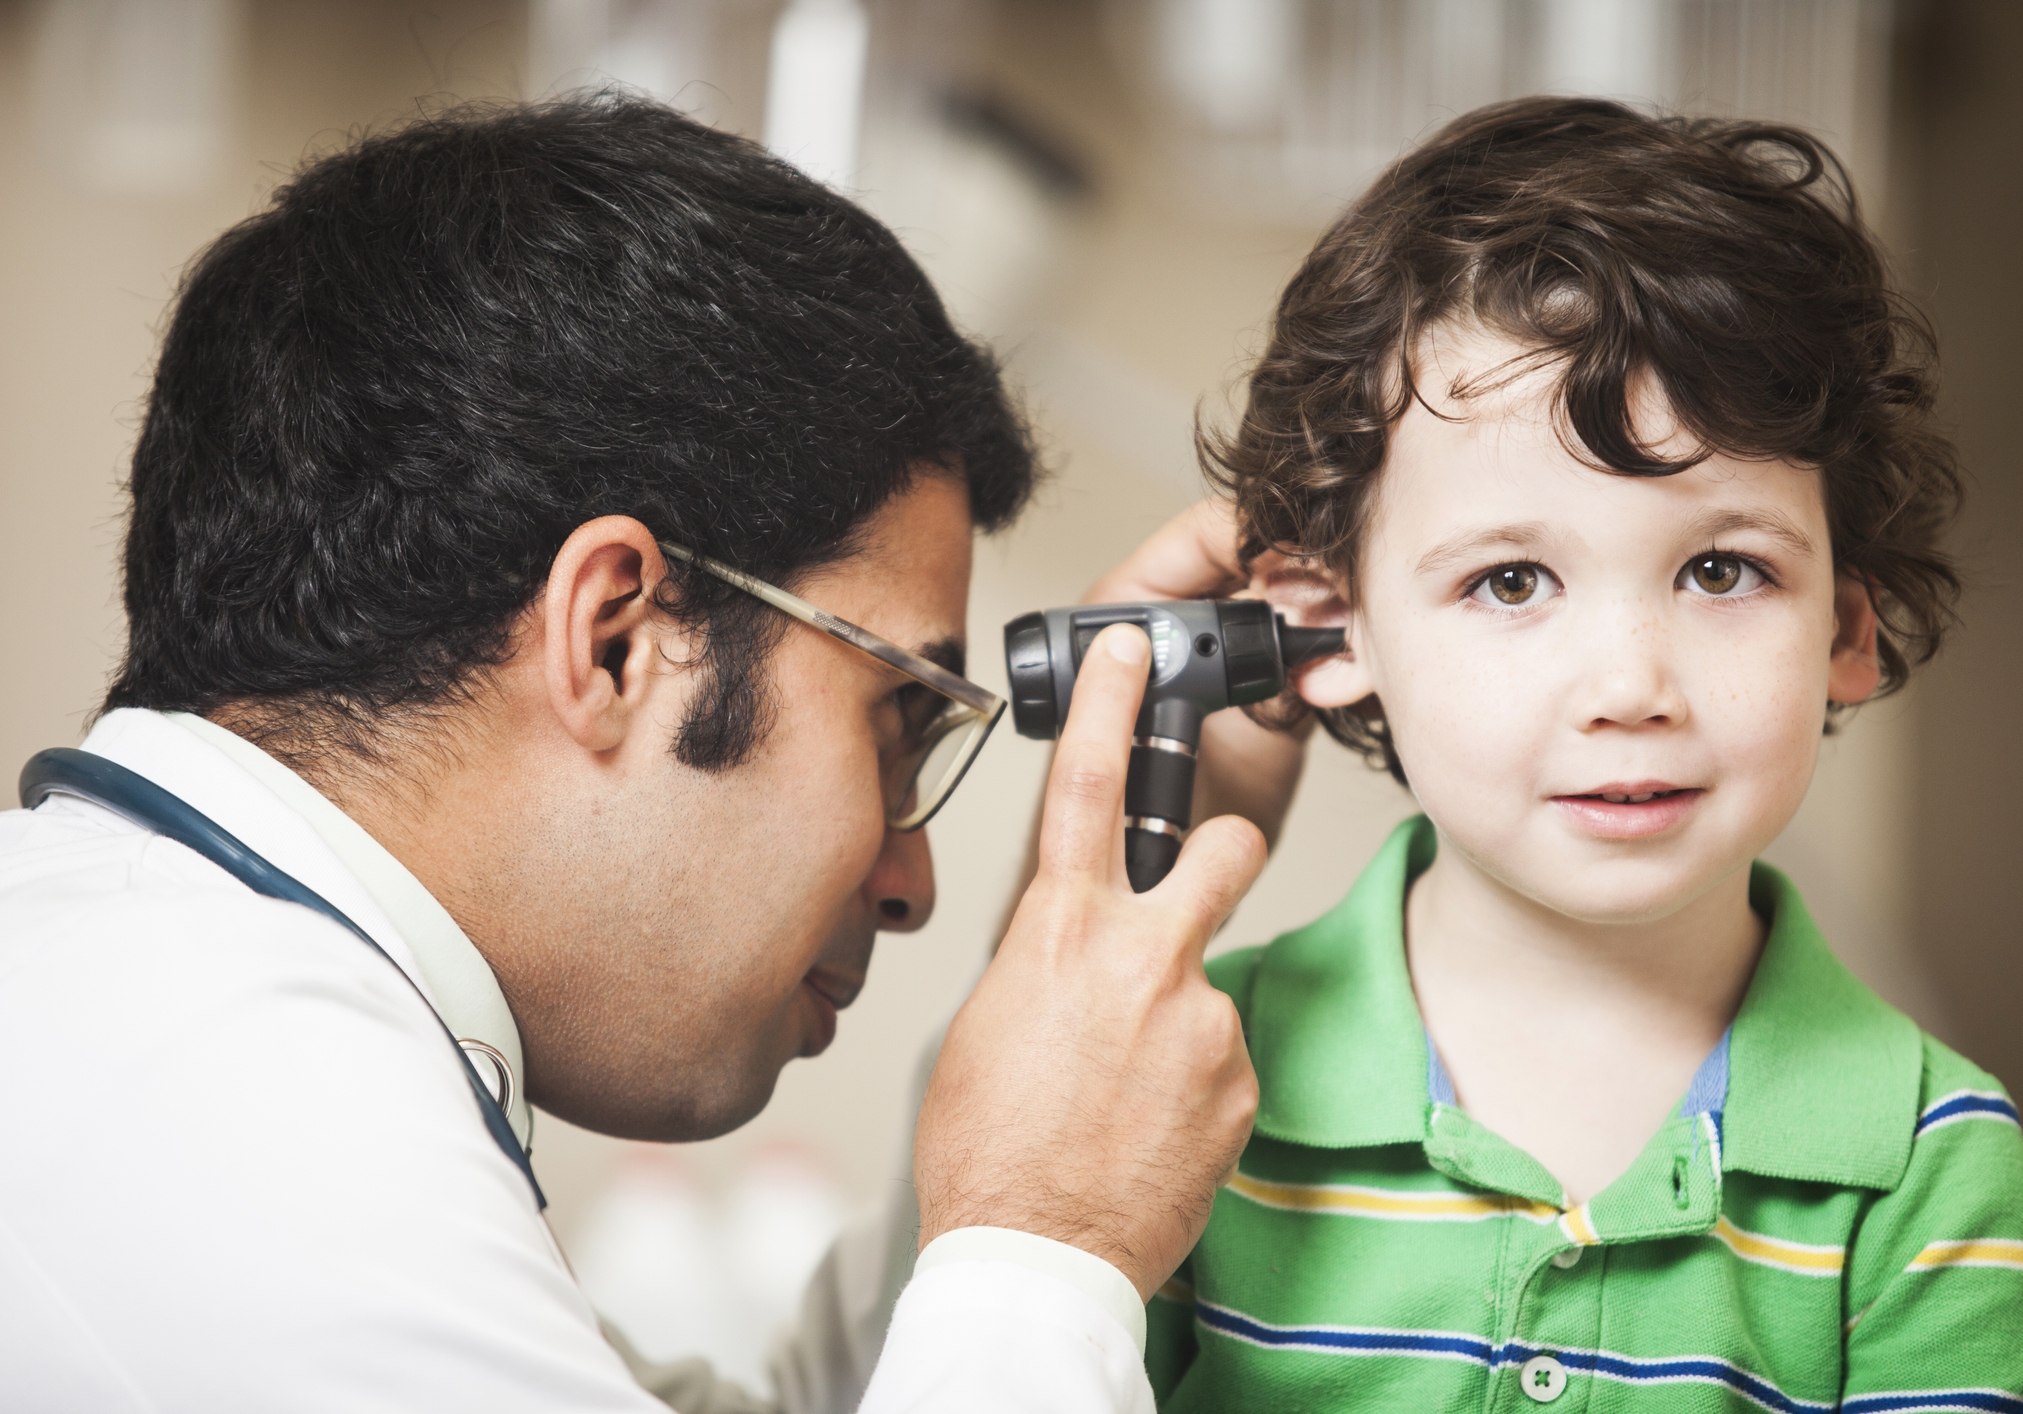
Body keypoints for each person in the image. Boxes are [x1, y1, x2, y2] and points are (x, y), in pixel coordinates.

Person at [0, 95, 1293, 1413]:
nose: (912, 882)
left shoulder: (146, 997)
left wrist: (1057, 1045)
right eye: (896, 718)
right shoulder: (232, 1113)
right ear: (615, 635)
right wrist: (1044, 1244)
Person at [1144, 98, 2023, 1413]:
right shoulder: (1187, 1072)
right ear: (1328, 627)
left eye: (1721, 568)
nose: (1630, 684)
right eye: (1511, 579)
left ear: (1844, 631)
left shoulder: (1930, 1157)